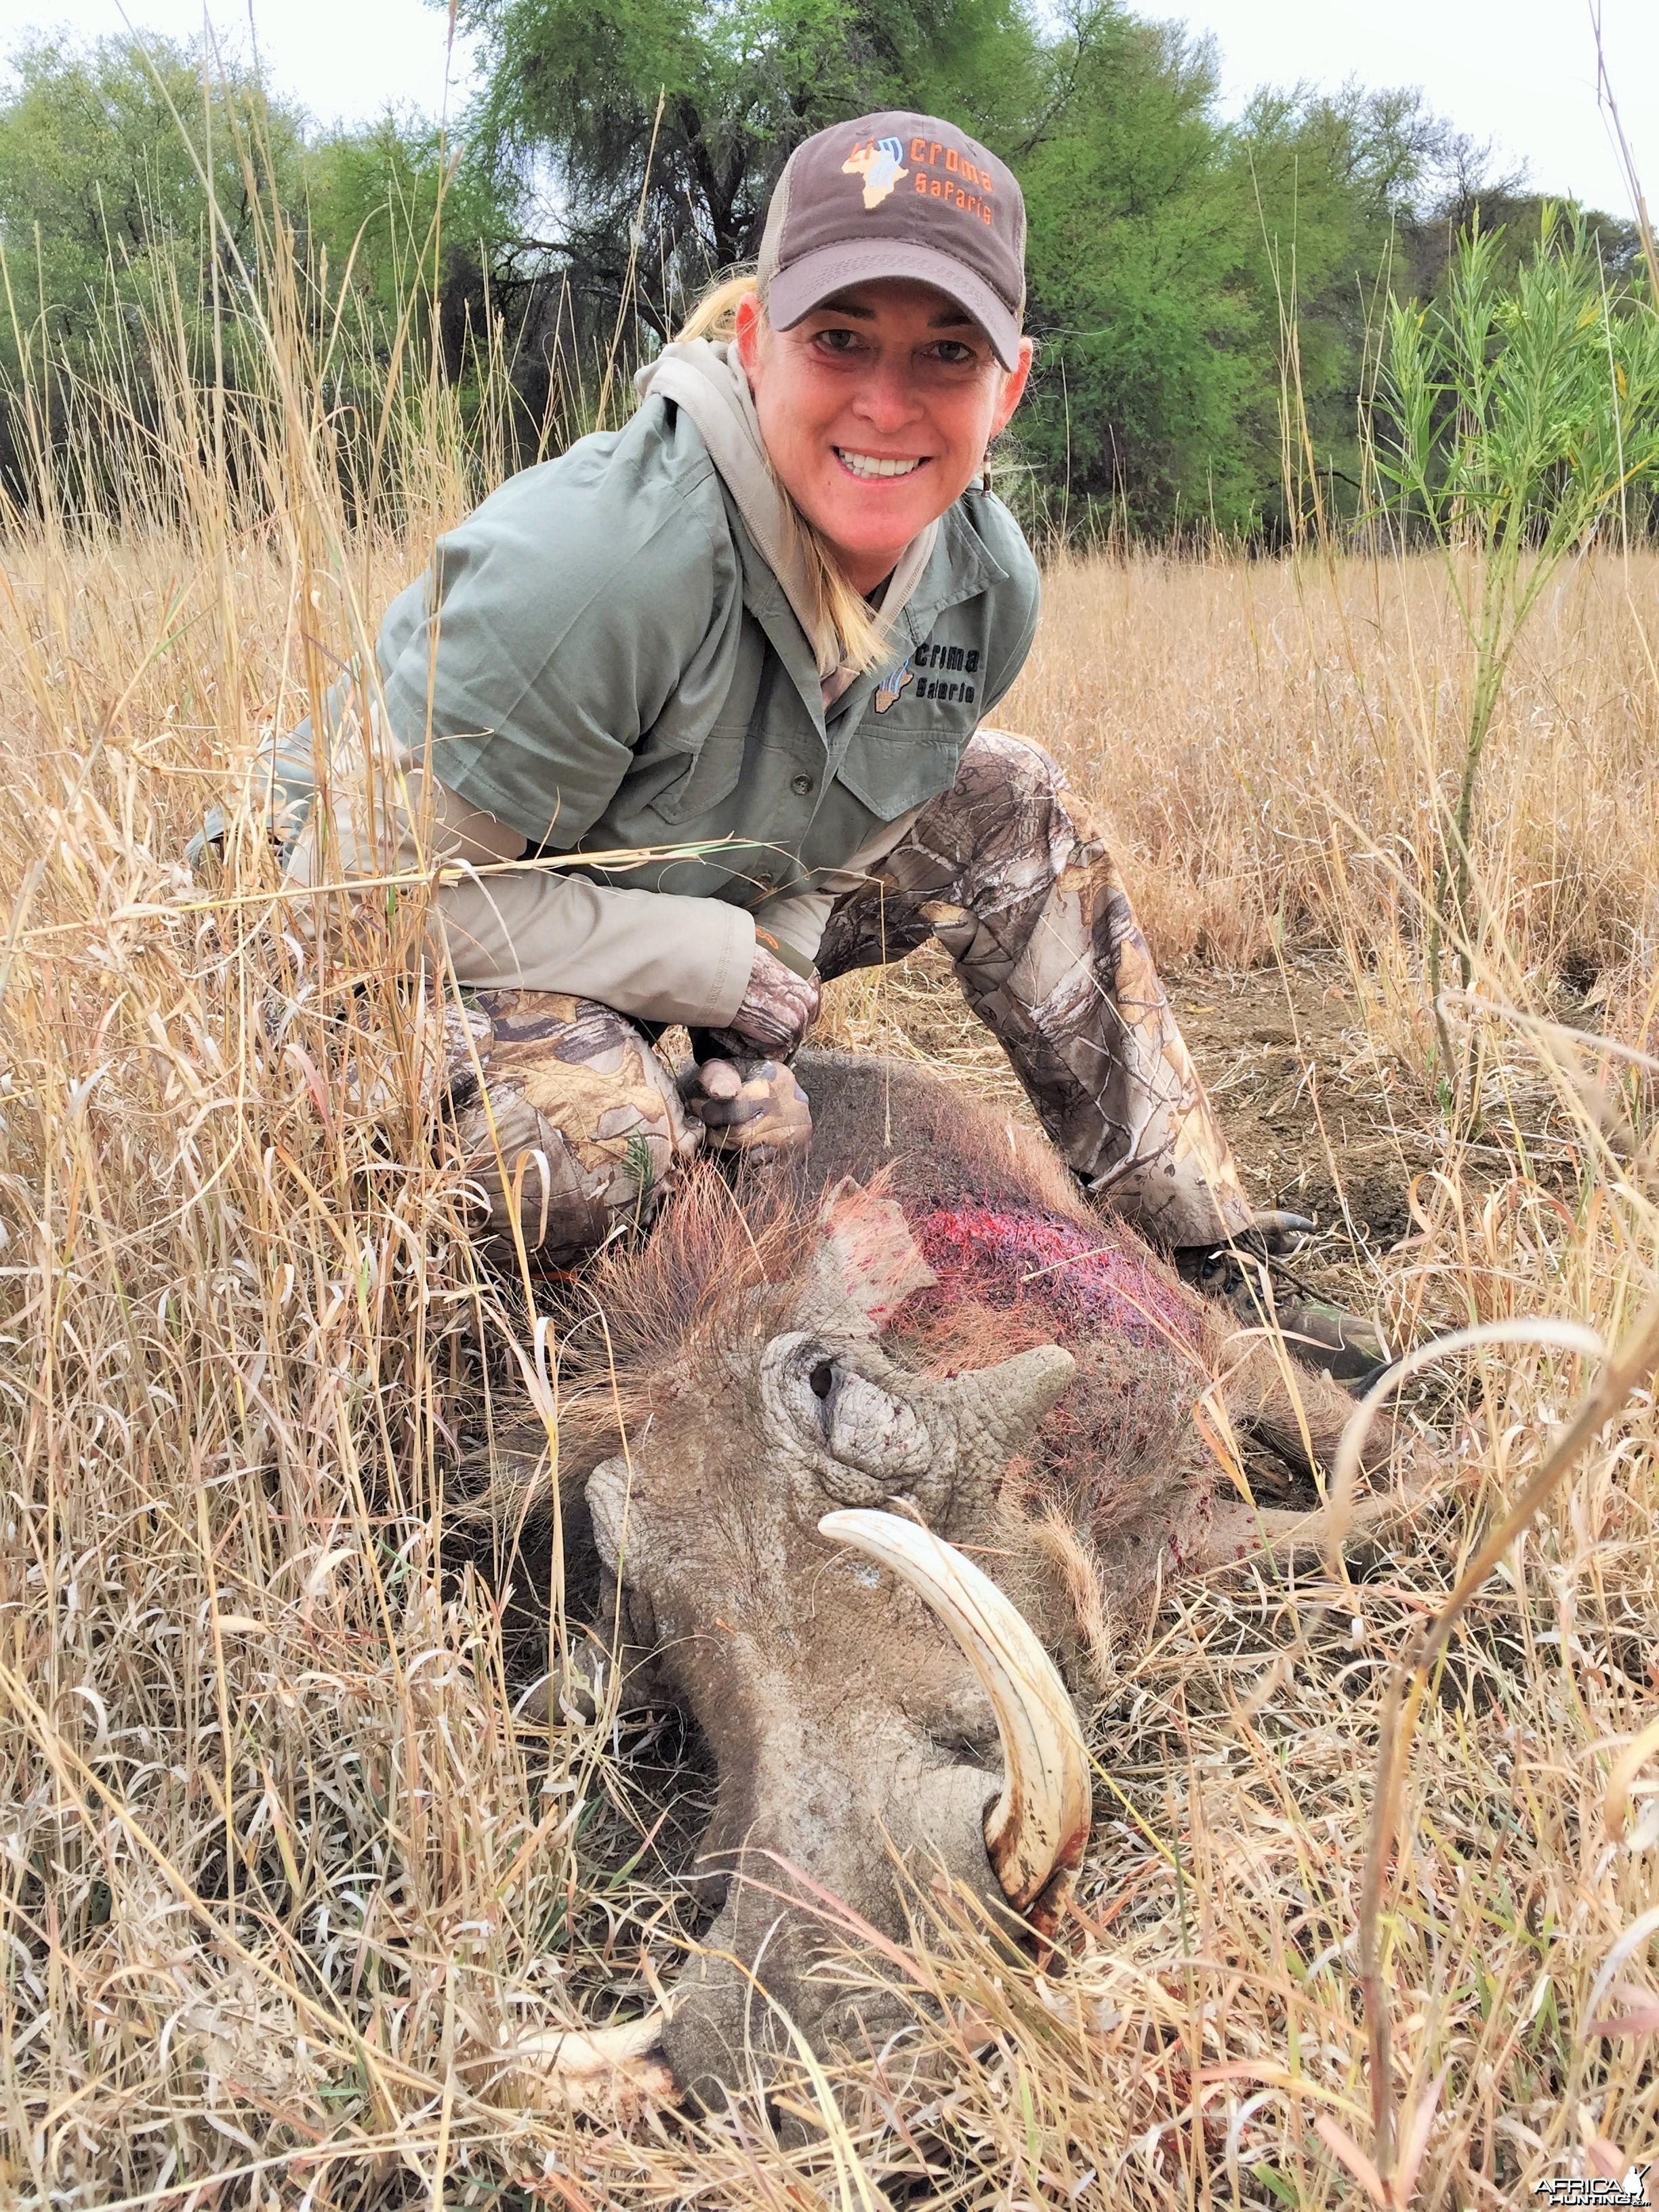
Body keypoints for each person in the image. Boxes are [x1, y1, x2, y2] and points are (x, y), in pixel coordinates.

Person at [224, 108, 1385, 1382]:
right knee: (596, 1137)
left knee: (1015, 800)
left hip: (634, 900)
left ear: (1011, 385)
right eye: (841, 339)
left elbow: (830, 840)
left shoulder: (985, 587)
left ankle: (1205, 1261)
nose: (887, 403)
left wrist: (756, 1043)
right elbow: (350, 902)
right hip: (346, 952)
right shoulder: (608, 565)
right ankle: (502, 1408)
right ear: (755, 340)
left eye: (946, 352)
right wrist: (715, 971)